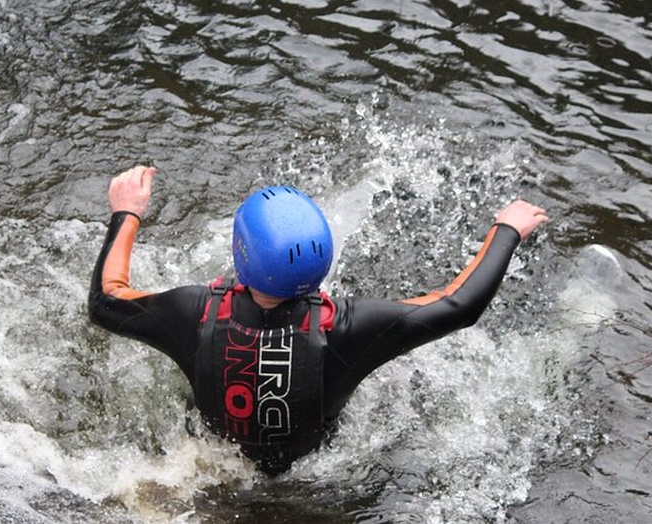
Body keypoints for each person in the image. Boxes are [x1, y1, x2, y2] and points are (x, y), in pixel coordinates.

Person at [89, 165, 549, 475]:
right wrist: (506, 228)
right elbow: (457, 305)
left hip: (211, 466)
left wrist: (126, 213)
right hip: (317, 472)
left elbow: (108, 300)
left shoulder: (193, 312)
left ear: (241, 255)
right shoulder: (348, 327)